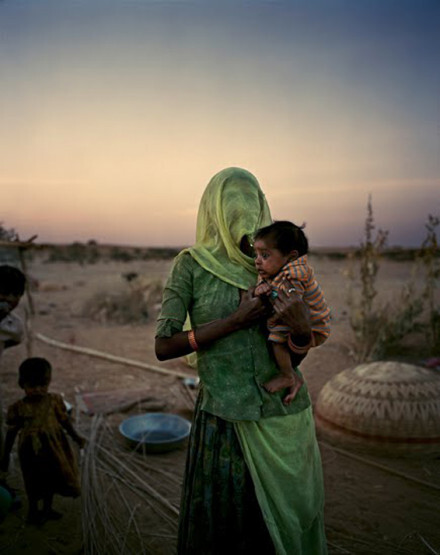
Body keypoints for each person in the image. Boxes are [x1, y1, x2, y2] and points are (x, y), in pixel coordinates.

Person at [155, 167, 327, 554]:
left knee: (281, 530)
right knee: (227, 529)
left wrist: (301, 333)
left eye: (249, 205)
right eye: (231, 205)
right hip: (225, 424)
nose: (242, 217)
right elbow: (163, 345)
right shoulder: (192, 265)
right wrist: (234, 321)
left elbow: (290, 354)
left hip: (284, 419)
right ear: (213, 210)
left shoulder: (275, 262)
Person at [254, 220, 331, 405]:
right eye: (255, 254)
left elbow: (288, 303)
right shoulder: (282, 272)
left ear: (290, 257)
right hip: (308, 322)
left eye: (265, 255)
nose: (257, 261)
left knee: (276, 341)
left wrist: (264, 291)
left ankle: (287, 375)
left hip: (310, 324)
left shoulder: (294, 275)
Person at [0, 357, 85, 525]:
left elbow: (64, 422)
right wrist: (5, 456)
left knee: (51, 479)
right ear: (22, 384)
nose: (38, 390)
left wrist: (76, 437)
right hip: (30, 451)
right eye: (32, 386)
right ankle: (33, 511)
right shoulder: (19, 408)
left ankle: (47, 509)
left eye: (43, 385)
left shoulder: (54, 401)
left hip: (54, 448)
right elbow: (12, 432)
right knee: (33, 481)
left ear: (49, 382)